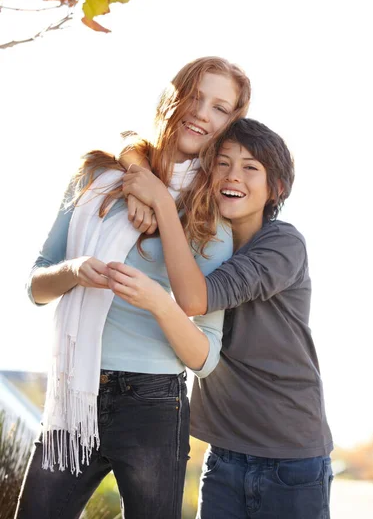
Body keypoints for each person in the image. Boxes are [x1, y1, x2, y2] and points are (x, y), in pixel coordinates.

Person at [15, 56, 251, 519]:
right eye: (196, 96)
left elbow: (204, 356)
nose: (202, 113)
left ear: (229, 124)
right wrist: (76, 269)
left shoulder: (211, 217)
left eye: (220, 108)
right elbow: (37, 288)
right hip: (73, 397)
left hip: (153, 403)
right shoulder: (96, 178)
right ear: (172, 96)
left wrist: (159, 299)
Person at [118, 117, 334, 519]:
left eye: (251, 167)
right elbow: (135, 141)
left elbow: (194, 300)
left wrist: (161, 202)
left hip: (291, 459)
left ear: (277, 188)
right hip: (223, 457)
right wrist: (136, 171)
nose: (233, 175)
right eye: (222, 163)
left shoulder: (283, 244)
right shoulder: (199, 240)